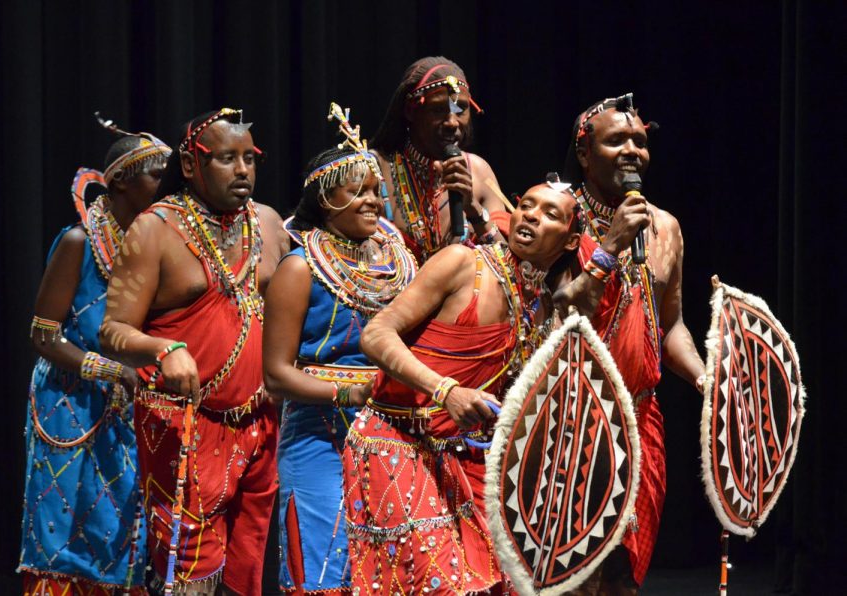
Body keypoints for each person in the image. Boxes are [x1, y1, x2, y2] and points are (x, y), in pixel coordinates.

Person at [349, 182, 581, 594]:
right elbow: (376, 334)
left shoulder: (542, 305)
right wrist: (446, 391)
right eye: (525, 205)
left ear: (571, 239)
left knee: (504, 585)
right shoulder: (464, 263)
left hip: (466, 457)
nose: (530, 216)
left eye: (550, 214)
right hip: (397, 438)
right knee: (440, 586)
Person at [99, 108, 289, 595]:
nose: (243, 169)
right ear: (190, 165)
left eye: (250, 158)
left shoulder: (267, 222)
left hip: (260, 421)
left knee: (248, 569)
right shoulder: (154, 229)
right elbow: (113, 331)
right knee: (190, 575)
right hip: (183, 424)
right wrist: (163, 348)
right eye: (227, 158)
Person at [263, 104, 418, 594]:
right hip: (319, 436)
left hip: (393, 431)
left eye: (376, 191)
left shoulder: (401, 259)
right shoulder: (299, 267)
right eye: (358, 192)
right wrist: (348, 394)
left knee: (389, 570)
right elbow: (276, 375)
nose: (373, 201)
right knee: (325, 569)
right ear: (326, 200)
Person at [559, 93, 706, 594]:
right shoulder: (552, 216)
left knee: (623, 578)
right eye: (616, 139)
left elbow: (672, 327)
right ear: (584, 153)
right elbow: (557, 309)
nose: (631, 150)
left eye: (639, 142)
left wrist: (704, 377)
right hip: (569, 423)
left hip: (642, 421)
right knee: (571, 576)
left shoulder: (665, 227)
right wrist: (611, 244)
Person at [19, 119, 171, 595]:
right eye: (157, 177)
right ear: (121, 181)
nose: (168, 188)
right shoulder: (78, 242)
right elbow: (43, 335)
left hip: (131, 405)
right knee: (65, 531)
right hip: (70, 405)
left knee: (123, 527)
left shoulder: (157, 246)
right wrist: (108, 370)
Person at [371, 56, 513, 263]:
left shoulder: (479, 171)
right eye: (438, 110)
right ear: (411, 111)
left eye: (460, 109)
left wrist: (472, 208)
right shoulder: (374, 169)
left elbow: (507, 268)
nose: (452, 122)